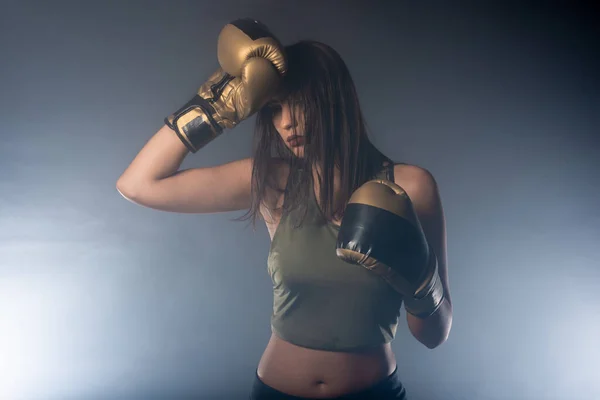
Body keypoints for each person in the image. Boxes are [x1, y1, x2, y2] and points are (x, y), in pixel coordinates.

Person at [116, 18, 452, 400]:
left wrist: (421, 281)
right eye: (275, 109)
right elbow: (138, 184)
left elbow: (435, 335)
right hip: (277, 391)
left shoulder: (410, 187)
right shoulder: (274, 181)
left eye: (301, 104)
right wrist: (215, 107)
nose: (287, 122)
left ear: (334, 100)